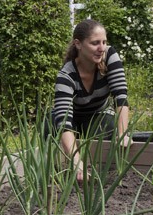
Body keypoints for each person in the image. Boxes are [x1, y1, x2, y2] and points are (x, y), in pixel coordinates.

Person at [52, 19, 131, 180]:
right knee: (50, 134)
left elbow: (120, 96)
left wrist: (122, 134)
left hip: (98, 115)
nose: (101, 48)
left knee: (111, 132)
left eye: (104, 42)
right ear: (78, 44)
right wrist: (77, 162)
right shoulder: (66, 76)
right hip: (72, 120)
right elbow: (64, 120)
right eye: (95, 43)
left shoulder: (110, 56)